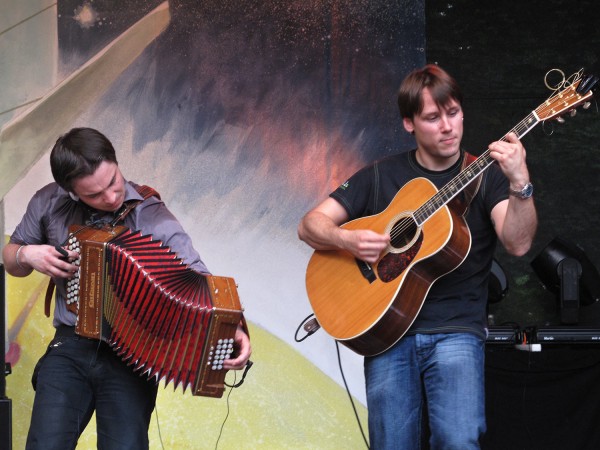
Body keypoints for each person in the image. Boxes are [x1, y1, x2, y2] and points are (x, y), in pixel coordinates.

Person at [297, 64, 537, 449]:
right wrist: (347, 240)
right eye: (432, 117)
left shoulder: (485, 175)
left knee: (459, 441)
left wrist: (520, 182)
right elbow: (310, 225)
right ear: (409, 123)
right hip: (387, 334)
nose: (447, 126)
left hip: (457, 330)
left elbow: (519, 243)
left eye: (453, 113)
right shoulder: (379, 175)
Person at [3, 127, 252, 450]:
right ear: (71, 192)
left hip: (132, 356)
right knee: (44, 444)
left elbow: (202, 281)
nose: (109, 197)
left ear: (116, 162)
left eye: (113, 182)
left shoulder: (154, 216)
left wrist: (234, 329)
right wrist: (27, 254)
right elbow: (12, 259)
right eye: (94, 194)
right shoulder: (48, 202)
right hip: (70, 346)